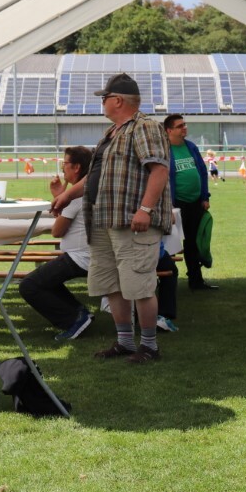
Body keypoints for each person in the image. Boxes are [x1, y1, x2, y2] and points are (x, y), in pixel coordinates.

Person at [85, 73, 173, 364]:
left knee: (139, 284)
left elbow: (159, 170)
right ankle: (125, 341)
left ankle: (149, 345)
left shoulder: (145, 126)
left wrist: (145, 209)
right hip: (105, 219)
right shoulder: (113, 132)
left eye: (105, 97)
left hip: (132, 221)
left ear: (118, 100)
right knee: (111, 283)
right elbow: (97, 175)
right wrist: (67, 195)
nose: (102, 102)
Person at [18, 146, 94, 341]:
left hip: (80, 257)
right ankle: (78, 312)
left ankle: (73, 320)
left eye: (65, 164)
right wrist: (61, 195)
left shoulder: (76, 198)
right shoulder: (85, 193)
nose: (62, 168)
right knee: (45, 280)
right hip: (86, 254)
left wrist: (62, 197)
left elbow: (57, 231)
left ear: (76, 167)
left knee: (29, 285)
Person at [163, 114, 218, 290]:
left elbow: (202, 171)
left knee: (193, 243)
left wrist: (204, 197)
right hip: (176, 205)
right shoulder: (164, 150)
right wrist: (169, 204)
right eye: (180, 126)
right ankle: (167, 283)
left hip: (195, 203)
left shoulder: (191, 147)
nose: (184, 128)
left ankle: (196, 280)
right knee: (171, 245)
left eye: (184, 125)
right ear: (169, 130)